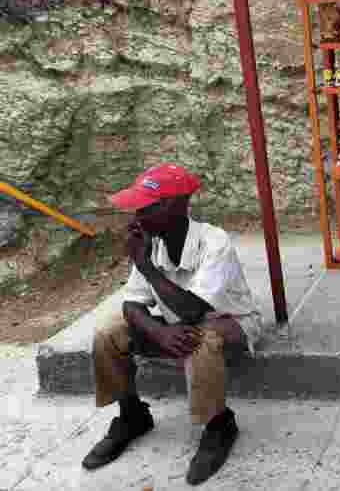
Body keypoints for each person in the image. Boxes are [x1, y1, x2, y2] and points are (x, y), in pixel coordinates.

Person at [82, 163, 263, 485]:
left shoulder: (214, 241)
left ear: (176, 206)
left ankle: (219, 425)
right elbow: (132, 303)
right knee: (107, 332)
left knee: (199, 340)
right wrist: (157, 330)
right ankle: (132, 415)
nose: (136, 218)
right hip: (173, 322)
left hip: (228, 321)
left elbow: (192, 310)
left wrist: (145, 266)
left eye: (145, 208)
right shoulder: (151, 239)